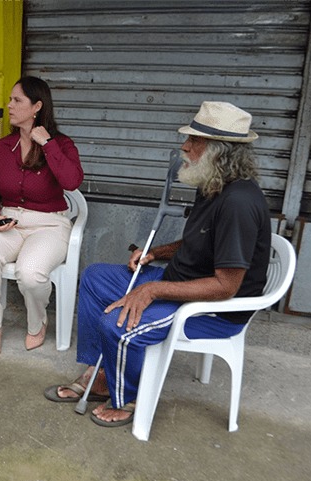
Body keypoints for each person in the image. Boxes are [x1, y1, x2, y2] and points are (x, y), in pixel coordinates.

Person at [44, 101, 271, 427]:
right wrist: (155, 253)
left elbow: (226, 285)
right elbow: (200, 243)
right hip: (181, 283)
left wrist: (153, 289)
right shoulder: (213, 184)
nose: (185, 146)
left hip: (213, 310)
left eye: (195, 141)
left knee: (117, 325)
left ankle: (128, 399)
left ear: (220, 151)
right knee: (94, 277)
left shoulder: (238, 203)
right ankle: (102, 373)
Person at [0, 76, 84, 360]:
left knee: (31, 274)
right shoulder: (2, 147)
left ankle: (38, 322)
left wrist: (47, 143)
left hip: (49, 225)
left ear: (37, 107)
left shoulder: (62, 144)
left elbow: (71, 181)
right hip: (10, 222)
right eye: (10, 99)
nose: (9, 105)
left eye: (16, 100)